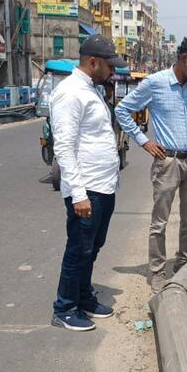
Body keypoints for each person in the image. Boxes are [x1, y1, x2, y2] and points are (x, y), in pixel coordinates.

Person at [115, 36, 187, 292]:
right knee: (160, 222)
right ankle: (157, 271)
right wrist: (144, 141)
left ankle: (184, 263)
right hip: (167, 162)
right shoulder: (155, 83)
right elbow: (122, 110)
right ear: (184, 59)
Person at [49, 35, 128, 332]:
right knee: (78, 248)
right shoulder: (70, 93)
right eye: (109, 66)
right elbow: (65, 147)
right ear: (93, 62)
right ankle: (64, 307)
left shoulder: (92, 90)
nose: (112, 71)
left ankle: (83, 297)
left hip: (104, 186)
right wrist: (79, 194)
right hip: (87, 188)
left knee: (93, 247)